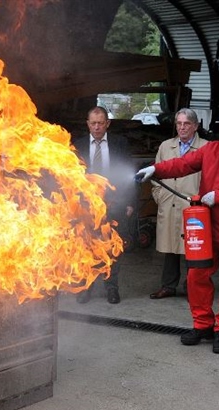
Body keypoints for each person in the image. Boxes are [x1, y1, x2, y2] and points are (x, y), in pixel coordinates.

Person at [135, 107, 219, 354]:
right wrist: (156, 169)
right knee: (196, 277)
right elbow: (183, 164)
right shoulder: (212, 150)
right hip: (208, 231)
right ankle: (203, 324)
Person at [73, 106, 136, 304]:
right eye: (93, 123)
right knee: (86, 247)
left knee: (113, 248)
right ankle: (86, 287)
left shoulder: (120, 143)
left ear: (108, 123)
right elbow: (72, 178)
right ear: (88, 124)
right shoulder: (78, 145)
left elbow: (129, 174)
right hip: (87, 206)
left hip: (115, 204)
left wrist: (130, 202)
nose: (97, 127)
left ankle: (111, 288)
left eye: (101, 123)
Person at [149, 108, 207, 300]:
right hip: (169, 203)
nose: (182, 128)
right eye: (179, 124)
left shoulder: (206, 148)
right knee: (170, 248)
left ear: (195, 126)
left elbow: (210, 178)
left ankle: (193, 287)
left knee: (194, 249)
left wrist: (203, 203)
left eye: (187, 124)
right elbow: (155, 176)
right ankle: (168, 286)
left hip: (193, 208)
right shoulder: (166, 146)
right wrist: (159, 196)